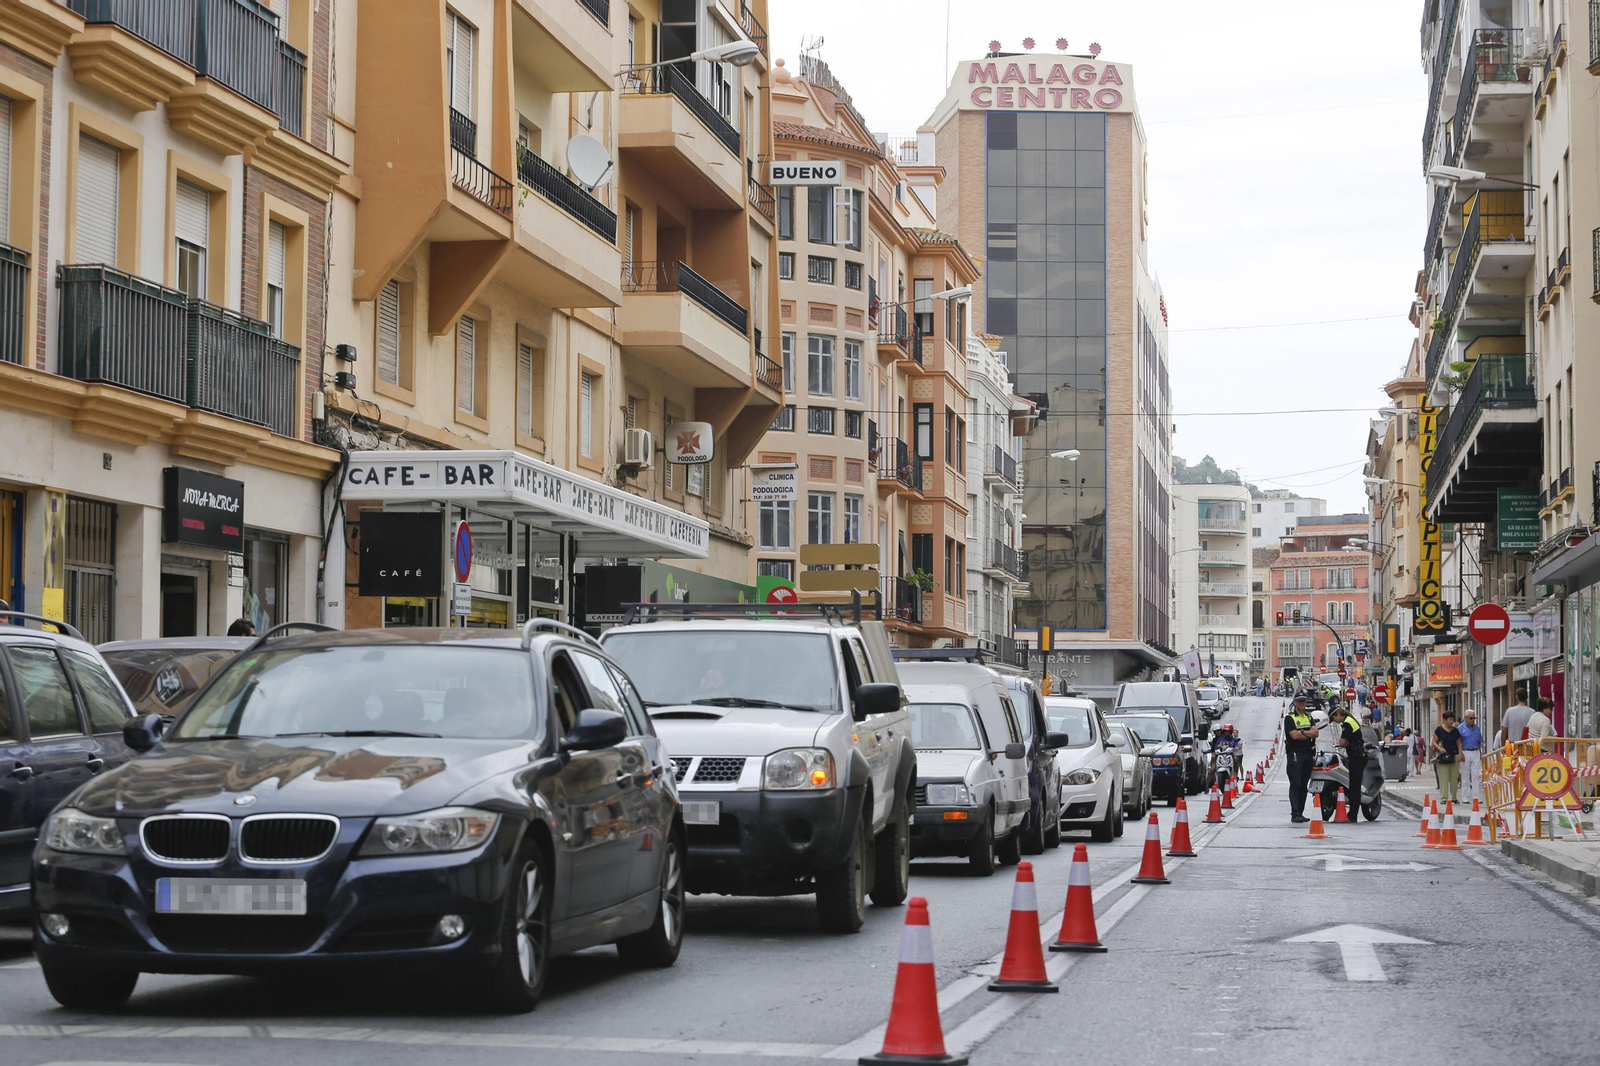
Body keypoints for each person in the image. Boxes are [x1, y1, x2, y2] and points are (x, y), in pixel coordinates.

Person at [1283, 695, 1320, 823]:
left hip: (1308, 754)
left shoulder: (1309, 717)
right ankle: (1295, 812)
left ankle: (1301, 812)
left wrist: (1302, 732)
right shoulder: (1289, 718)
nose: (1302, 703)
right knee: (1296, 783)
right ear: (1294, 702)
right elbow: (1294, 736)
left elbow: (1316, 733)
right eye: (1299, 701)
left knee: (1304, 784)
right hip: (1295, 754)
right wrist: (1306, 733)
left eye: (1304, 700)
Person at [1336, 704, 1369, 821]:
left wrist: (1344, 743)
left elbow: (1342, 741)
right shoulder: (1350, 720)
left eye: (1334, 718)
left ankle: (1353, 815)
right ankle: (1353, 813)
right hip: (1358, 756)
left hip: (1357, 757)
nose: (1335, 721)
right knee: (1354, 786)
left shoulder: (1347, 723)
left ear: (1339, 715)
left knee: (1354, 787)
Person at [1432, 711, 1462, 803]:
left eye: (1452, 720)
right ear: (1445, 720)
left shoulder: (1455, 731)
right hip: (1442, 756)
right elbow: (1434, 742)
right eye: (1449, 720)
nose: (1451, 721)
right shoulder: (1439, 730)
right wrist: (1439, 748)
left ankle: (1454, 797)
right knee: (1443, 777)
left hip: (1454, 755)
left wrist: (1460, 754)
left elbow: (1459, 743)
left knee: (1454, 777)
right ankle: (1444, 798)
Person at [1458, 709, 1484, 801]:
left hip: (1475, 751)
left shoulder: (1477, 728)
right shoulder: (1460, 728)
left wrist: (1480, 753)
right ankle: (1465, 796)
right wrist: (1460, 753)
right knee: (1465, 774)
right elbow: (1458, 742)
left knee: (1476, 775)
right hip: (1465, 752)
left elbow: (1480, 741)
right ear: (1465, 718)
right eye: (1471, 718)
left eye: (1474, 718)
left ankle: (1476, 796)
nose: (1473, 720)